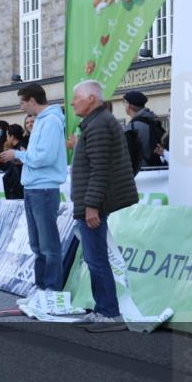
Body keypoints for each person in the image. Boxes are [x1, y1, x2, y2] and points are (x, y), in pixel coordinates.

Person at [70, 80, 139, 331]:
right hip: (94, 202)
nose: (72, 102)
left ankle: (109, 313)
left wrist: (91, 207)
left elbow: (99, 171)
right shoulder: (97, 123)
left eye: (76, 97)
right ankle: (102, 309)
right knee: (95, 258)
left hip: (94, 205)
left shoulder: (98, 125)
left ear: (90, 99)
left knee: (97, 259)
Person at [0, 83, 67, 305]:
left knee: (48, 245)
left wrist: (19, 154)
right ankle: (41, 288)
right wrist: (23, 155)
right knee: (37, 245)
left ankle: (52, 289)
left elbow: (44, 158)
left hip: (44, 189)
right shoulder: (42, 122)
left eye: (22, 102)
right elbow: (39, 156)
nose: (20, 107)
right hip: (34, 188)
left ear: (32, 100)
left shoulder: (51, 122)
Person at [122, 90, 166, 174]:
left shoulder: (132, 127)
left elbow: (127, 155)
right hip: (158, 171)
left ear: (129, 105)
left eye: (124, 103)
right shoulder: (153, 120)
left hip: (141, 173)